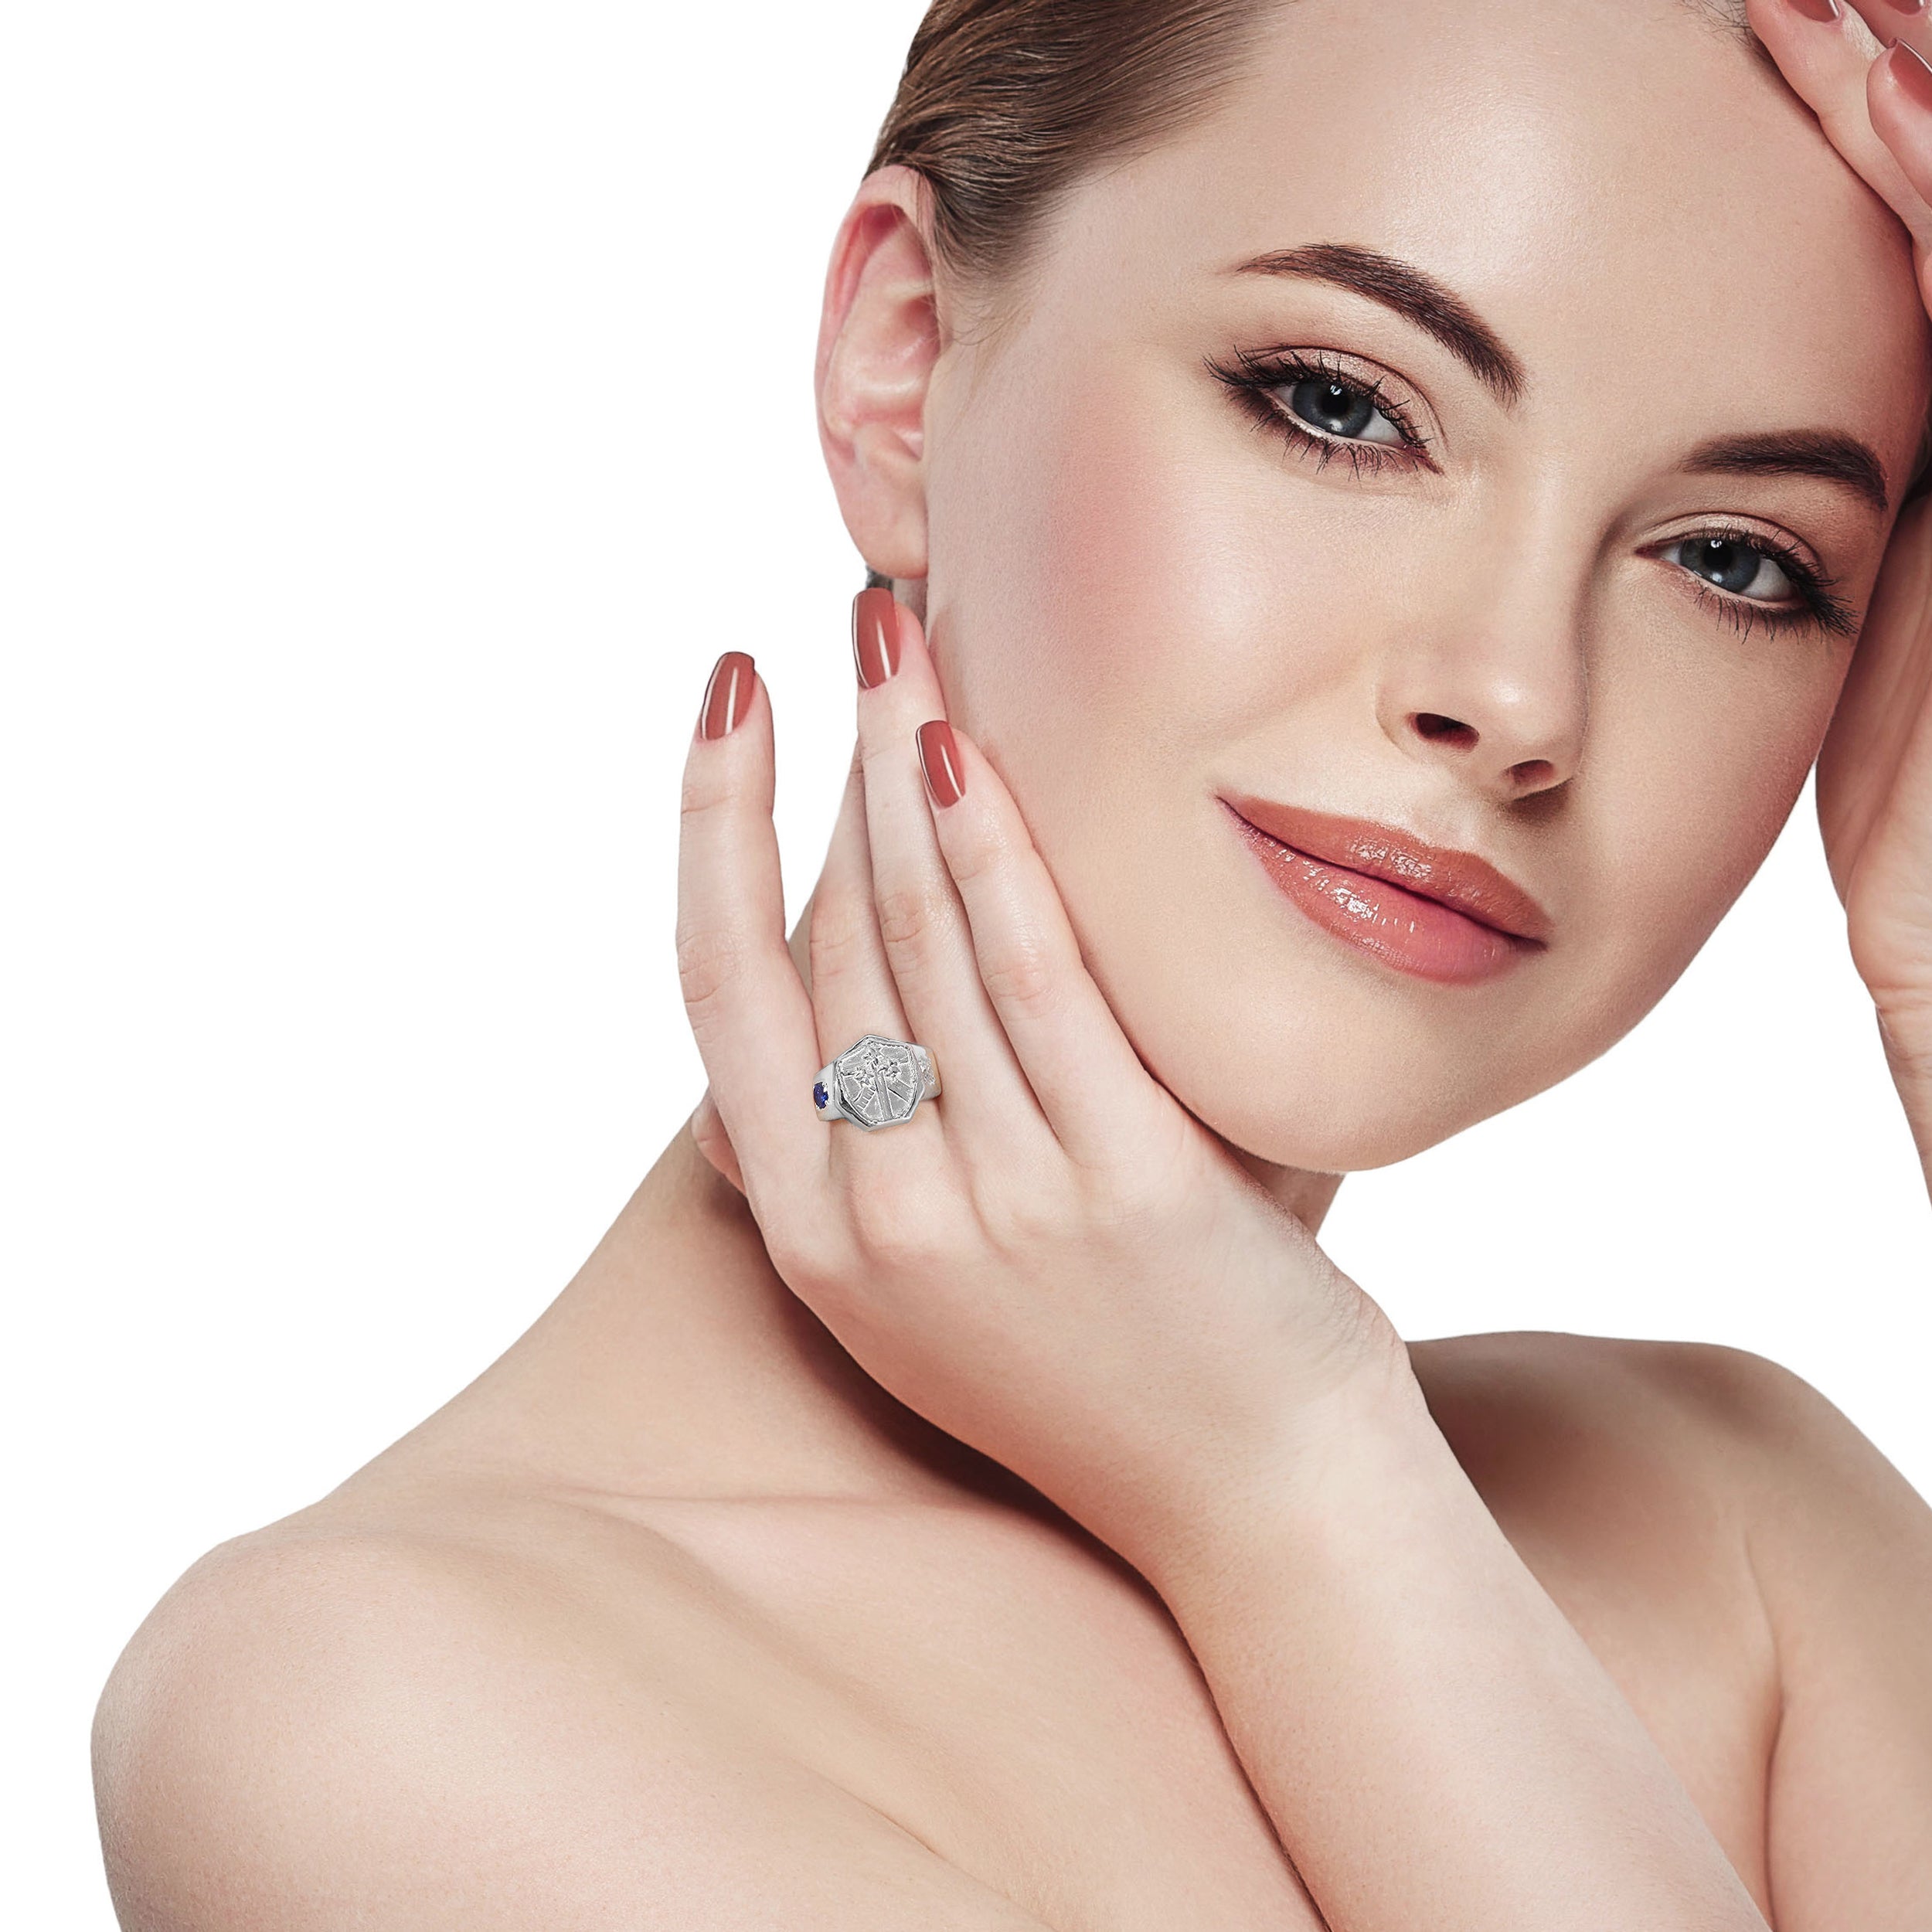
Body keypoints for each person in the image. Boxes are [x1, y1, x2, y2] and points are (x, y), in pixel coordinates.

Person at [91, 0, 1932, 1923]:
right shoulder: (374, 1715)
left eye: (1734, 558)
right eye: (1339, 402)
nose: (1511, 691)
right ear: (904, 366)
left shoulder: (1743, 1527)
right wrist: (1282, 1477)